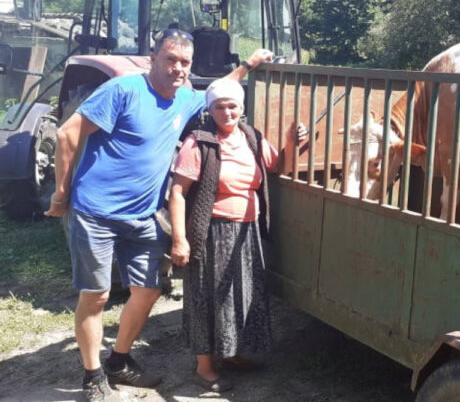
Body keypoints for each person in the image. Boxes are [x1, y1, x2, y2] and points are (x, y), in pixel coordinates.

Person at [44, 27, 274, 402]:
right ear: (153, 59)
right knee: (97, 296)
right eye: (170, 59)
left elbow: (220, 90)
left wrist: (248, 64)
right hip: (96, 211)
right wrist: (62, 193)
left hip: (142, 215)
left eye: (185, 62)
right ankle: (92, 376)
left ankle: (119, 361)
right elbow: (69, 134)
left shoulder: (185, 99)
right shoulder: (123, 90)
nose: (178, 68)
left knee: (149, 290)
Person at [168, 78, 305, 392]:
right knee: (207, 298)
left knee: (240, 297)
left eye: (232, 106)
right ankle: (204, 368)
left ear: (242, 108)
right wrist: (180, 238)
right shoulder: (198, 142)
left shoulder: (251, 137)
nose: (226, 112)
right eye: (219, 107)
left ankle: (230, 354)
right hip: (211, 232)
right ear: (210, 109)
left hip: (246, 231)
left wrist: (289, 141)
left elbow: (278, 166)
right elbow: (177, 193)